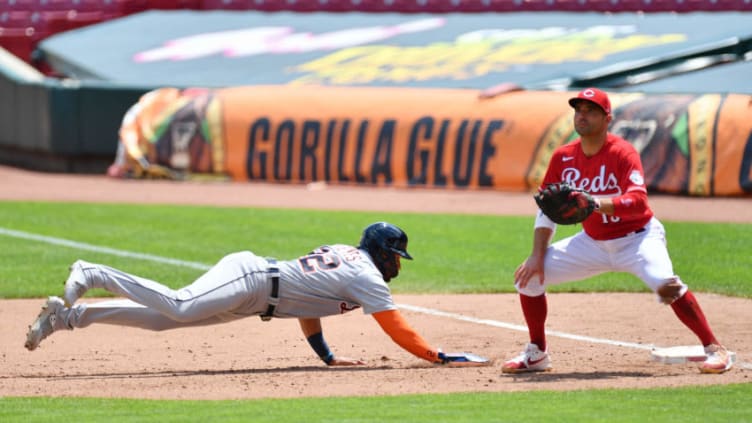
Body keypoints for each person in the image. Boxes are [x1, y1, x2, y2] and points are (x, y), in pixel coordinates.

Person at [502, 88, 733, 374]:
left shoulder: (622, 152)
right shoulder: (563, 157)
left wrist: (595, 203)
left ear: (607, 117)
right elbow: (547, 209)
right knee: (527, 278)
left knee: (666, 284)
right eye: (579, 110)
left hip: (637, 239)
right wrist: (536, 255)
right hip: (592, 243)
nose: (582, 115)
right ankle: (537, 353)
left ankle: (715, 348)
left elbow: (638, 203)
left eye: (590, 110)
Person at [25, 222, 451, 366]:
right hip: (252, 278)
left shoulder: (350, 260)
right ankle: (93, 270)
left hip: (258, 297)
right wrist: (435, 355)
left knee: (162, 320)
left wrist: (326, 355)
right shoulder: (368, 277)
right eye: (395, 255)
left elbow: (309, 302)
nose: (397, 263)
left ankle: (66, 318)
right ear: (380, 252)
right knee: (179, 304)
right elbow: (397, 329)